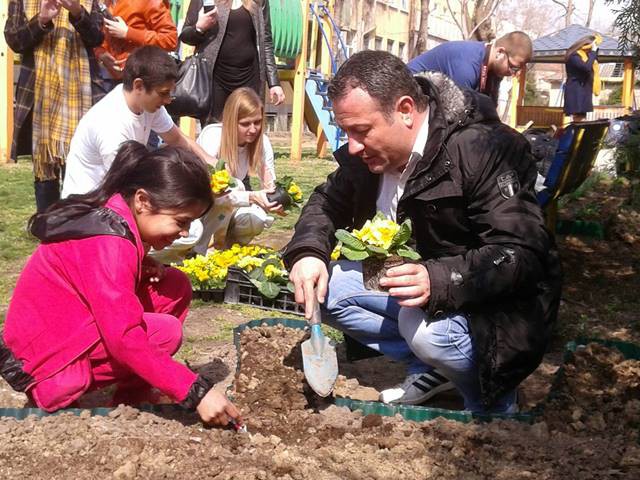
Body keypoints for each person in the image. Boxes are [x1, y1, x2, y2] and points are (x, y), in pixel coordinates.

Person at [283, 51, 562, 413]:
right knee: (325, 289)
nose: (351, 146)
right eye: (346, 132)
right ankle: (436, 368)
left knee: (425, 331)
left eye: (361, 131)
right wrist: (308, 252)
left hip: (499, 312)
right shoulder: (370, 156)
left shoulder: (482, 149)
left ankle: (492, 397)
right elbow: (326, 201)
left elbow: (521, 252)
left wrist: (438, 279)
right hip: (423, 293)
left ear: (405, 110)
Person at [1, 141, 241, 427]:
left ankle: (134, 395)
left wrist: (139, 265)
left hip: (59, 331)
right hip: (41, 362)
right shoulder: (111, 242)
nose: (185, 232)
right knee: (165, 333)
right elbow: (124, 336)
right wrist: (194, 391)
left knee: (174, 286)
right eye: (181, 221)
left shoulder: (118, 219)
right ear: (142, 201)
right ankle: (59, 388)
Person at [61, 45, 215, 198]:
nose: (168, 100)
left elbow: (178, 140)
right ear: (139, 86)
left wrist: (211, 164)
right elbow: (128, 186)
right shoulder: (110, 125)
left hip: (117, 192)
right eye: (163, 93)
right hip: (89, 206)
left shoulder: (148, 104)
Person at [4, 0, 105, 213]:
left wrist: (77, 12)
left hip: (81, 95)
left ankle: (77, 228)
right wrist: (41, 19)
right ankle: (49, 231)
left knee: (79, 168)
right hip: (39, 93)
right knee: (44, 170)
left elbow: (97, 37)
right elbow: (14, 40)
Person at [179, 0, 285, 124]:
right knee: (215, 133)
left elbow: (265, 40)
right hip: (216, 79)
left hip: (250, 78)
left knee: (248, 129)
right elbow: (185, 36)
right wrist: (200, 28)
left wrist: (274, 83)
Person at [407, 31, 532, 105]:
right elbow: (458, 115)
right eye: (513, 67)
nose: (513, 73)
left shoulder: (491, 69)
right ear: (500, 52)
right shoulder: (467, 66)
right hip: (408, 91)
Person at [94, 0, 178, 89]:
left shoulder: (149, 2)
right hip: (107, 77)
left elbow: (170, 39)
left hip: (142, 79)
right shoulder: (102, 3)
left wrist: (128, 32)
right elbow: (95, 36)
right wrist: (101, 53)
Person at [564, 35, 601, 123]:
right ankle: (576, 134)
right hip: (576, 91)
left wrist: (594, 53)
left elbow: (592, 64)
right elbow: (586, 67)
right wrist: (593, 52)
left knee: (582, 117)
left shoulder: (588, 55)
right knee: (578, 117)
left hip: (584, 90)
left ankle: (581, 134)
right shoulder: (574, 56)